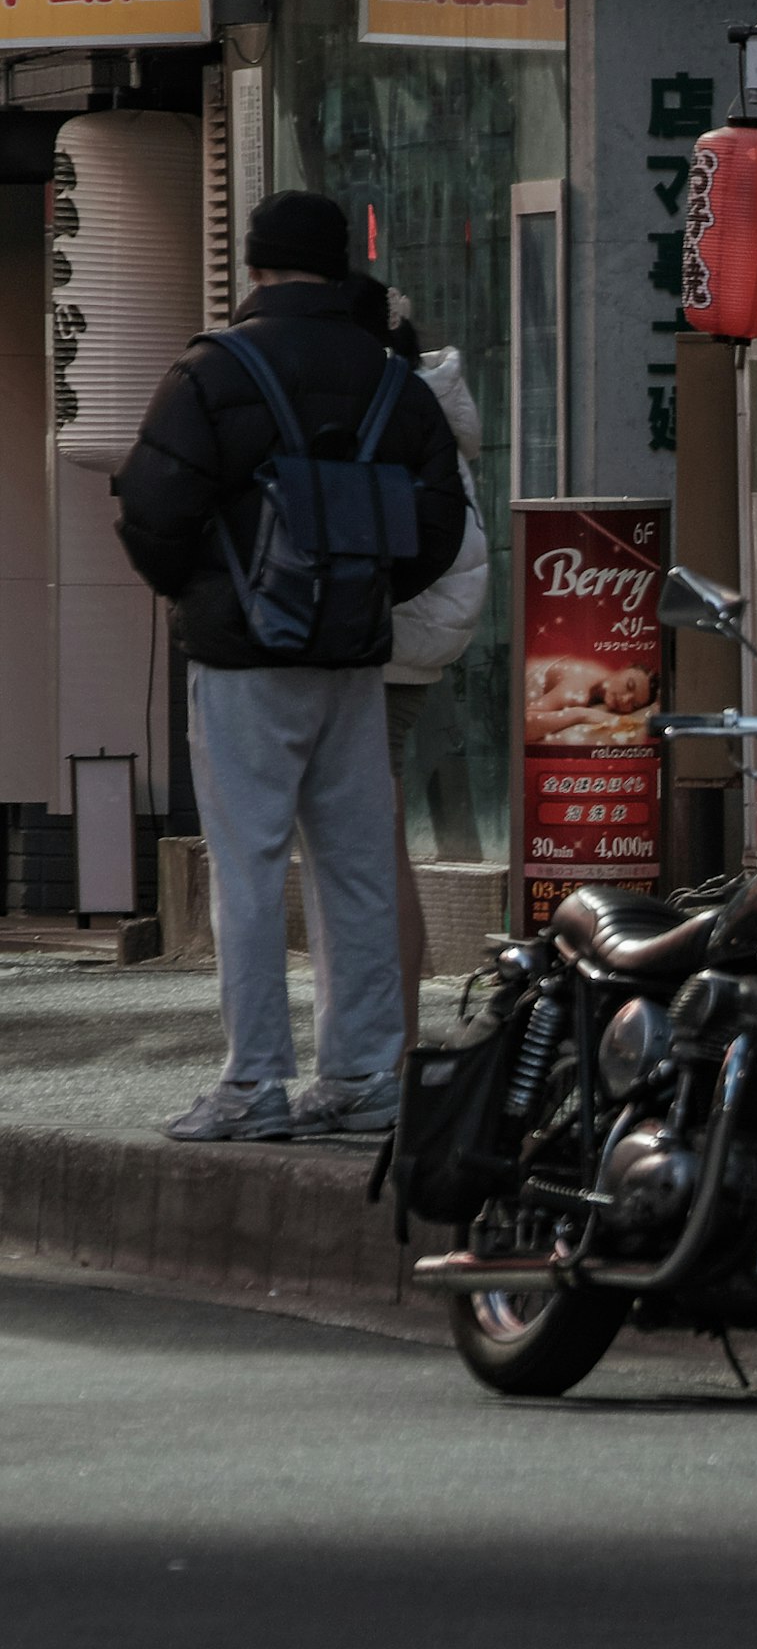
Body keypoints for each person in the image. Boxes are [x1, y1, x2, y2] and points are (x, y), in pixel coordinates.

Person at [112, 192, 468, 1142]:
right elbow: (439, 526)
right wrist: (359, 596)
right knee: (354, 869)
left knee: (249, 864)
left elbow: (151, 507)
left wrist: (215, 592)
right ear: (339, 265)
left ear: (256, 267)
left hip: (242, 660)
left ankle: (254, 1083)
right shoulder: (394, 378)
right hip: (351, 659)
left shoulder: (213, 369)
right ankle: (361, 1080)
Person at [358, 281, 489, 1033]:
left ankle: (394, 1041)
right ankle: (389, 1037)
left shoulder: (396, 411)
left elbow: (439, 546)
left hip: (386, 648)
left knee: (372, 852)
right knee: (377, 848)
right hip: (402, 645)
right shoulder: (422, 406)